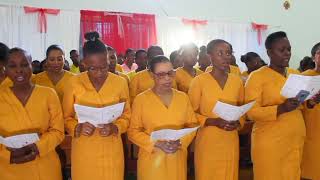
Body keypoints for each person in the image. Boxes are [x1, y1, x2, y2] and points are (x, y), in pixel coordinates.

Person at [63, 31, 130, 180]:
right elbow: (66, 117)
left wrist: (116, 127)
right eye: (93, 68)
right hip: (84, 148)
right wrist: (77, 127)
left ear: (109, 61)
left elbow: (127, 115)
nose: (99, 72)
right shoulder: (73, 82)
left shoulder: (120, 82)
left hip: (111, 147)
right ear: (84, 63)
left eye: (104, 67)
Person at [245, 31, 305, 180]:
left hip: (294, 140)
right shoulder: (257, 76)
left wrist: (309, 100)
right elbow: (251, 112)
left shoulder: (294, 73)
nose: (287, 53)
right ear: (269, 52)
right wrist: (281, 108)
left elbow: (300, 104)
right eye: (282, 50)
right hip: (270, 143)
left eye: (289, 49)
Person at [128, 55, 197, 180]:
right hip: (151, 159)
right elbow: (133, 132)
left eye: (170, 73)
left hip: (177, 157)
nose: (167, 78)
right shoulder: (141, 99)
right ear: (151, 75)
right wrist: (156, 143)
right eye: (161, 74)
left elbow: (192, 125)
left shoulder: (183, 97)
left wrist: (181, 142)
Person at [0, 48, 64, 180]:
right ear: (5, 69)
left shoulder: (48, 94)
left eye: (24, 64)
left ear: (32, 66)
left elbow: (58, 131)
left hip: (46, 166)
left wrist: (36, 147)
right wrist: (7, 155)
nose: (19, 70)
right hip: (10, 168)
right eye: (12, 66)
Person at [188, 39, 244, 180]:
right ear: (209, 55)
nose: (225, 57)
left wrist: (238, 122)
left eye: (228, 53)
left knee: (229, 174)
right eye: (220, 53)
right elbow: (190, 114)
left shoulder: (236, 81)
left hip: (230, 139)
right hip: (208, 140)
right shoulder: (199, 82)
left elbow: (242, 109)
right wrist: (212, 121)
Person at [300, 42, 320, 180]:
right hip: (311, 132)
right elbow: (298, 103)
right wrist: (312, 102)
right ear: (313, 57)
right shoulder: (305, 77)